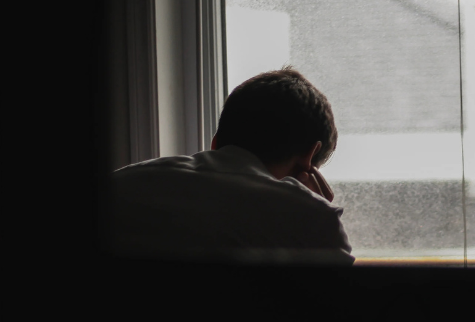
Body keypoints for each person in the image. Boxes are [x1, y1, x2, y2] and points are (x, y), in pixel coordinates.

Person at [109, 67, 354, 265]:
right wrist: (313, 207)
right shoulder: (311, 222)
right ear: (309, 158)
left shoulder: (118, 185)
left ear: (215, 143)